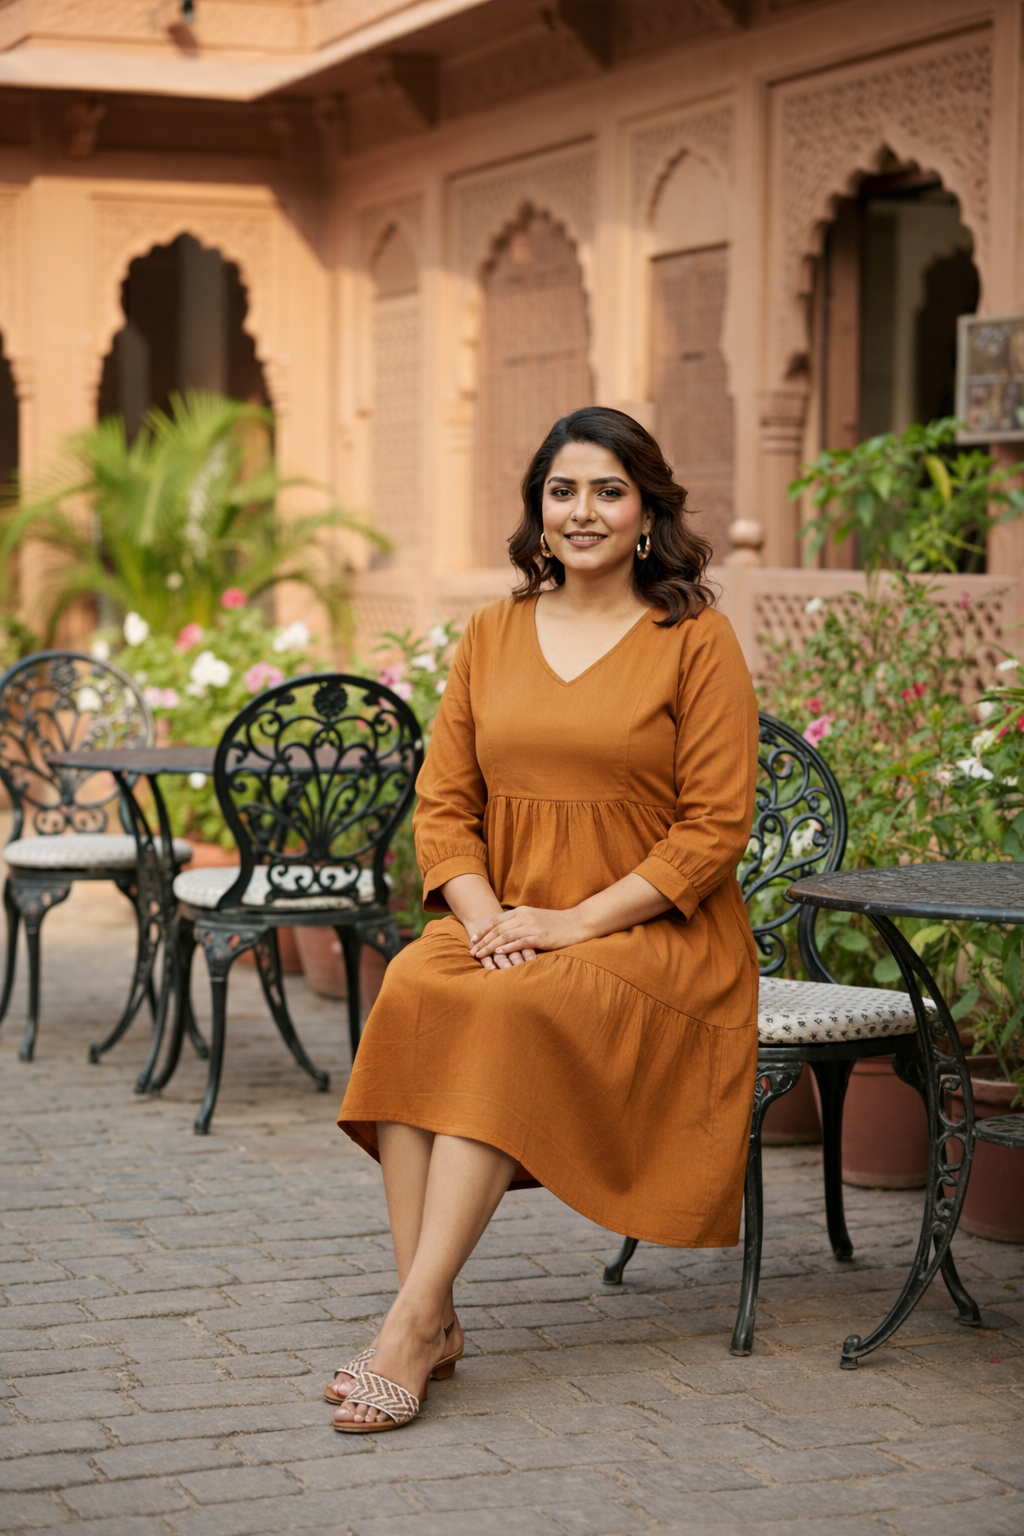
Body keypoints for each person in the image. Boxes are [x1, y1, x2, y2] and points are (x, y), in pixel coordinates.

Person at [330, 406, 759, 1433]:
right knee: (418, 988)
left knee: (509, 1008)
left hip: (650, 930)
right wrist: (483, 918)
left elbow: (712, 830)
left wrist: (566, 926)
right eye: (561, 490)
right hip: (505, 911)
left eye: (608, 491)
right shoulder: (491, 631)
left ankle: (409, 1325)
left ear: (647, 510)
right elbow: (444, 803)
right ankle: (427, 1313)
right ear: (536, 510)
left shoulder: (694, 638)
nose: (583, 511)